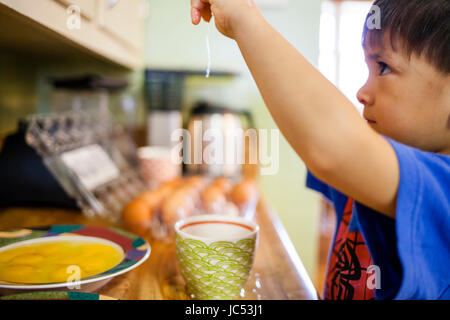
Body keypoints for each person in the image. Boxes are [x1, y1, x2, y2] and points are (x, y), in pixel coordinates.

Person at [190, 0, 450, 300]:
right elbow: (316, 133)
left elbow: (332, 147)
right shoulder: (380, 161)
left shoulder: (442, 189)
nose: (362, 93)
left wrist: (245, 21)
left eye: (384, 67)